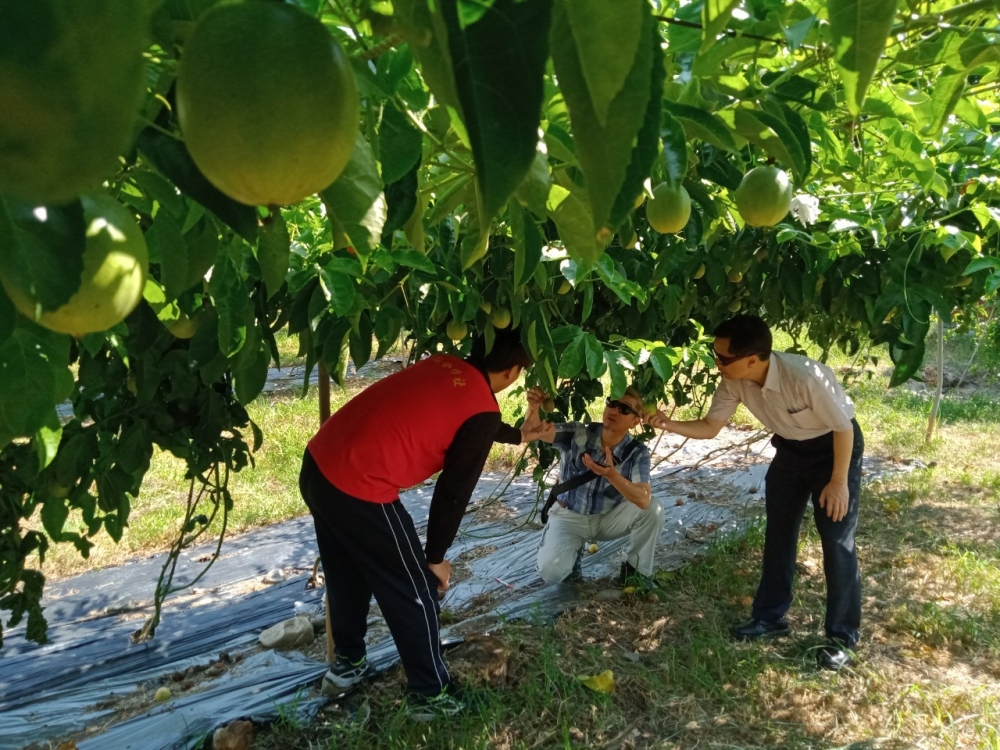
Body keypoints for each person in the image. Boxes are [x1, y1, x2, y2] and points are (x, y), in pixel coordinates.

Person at [298, 328, 538, 718]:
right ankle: (430, 694)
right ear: (513, 373)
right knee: (415, 588)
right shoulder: (482, 409)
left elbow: (468, 417)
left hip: (319, 464)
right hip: (359, 484)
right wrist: (435, 557)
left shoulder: (446, 364)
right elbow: (453, 491)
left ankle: (348, 665)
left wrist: (517, 434)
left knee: (346, 572)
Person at [646, 315, 864, 670]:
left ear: (753, 358)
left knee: (837, 540)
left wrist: (838, 482)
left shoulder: (805, 377)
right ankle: (769, 618)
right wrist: (666, 424)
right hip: (791, 452)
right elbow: (710, 427)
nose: (716, 364)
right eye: (714, 355)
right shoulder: (735, 381)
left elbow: (843, 429)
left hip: (834, 451)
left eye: (723, 358)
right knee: (779, 532)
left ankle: (842, 637)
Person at [523, 386, 662, 585]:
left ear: (635, 421)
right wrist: (533, 408)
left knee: (653, 509)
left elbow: (643, 498)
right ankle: (571, 560)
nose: (614, 410)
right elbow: (532, 432)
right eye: (612, 403)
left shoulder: (637, 452)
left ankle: (636, 571)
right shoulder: (578, 433)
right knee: (552, 573)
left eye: (624, 409)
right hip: (570, 516)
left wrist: (612, 475)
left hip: (608, 517)